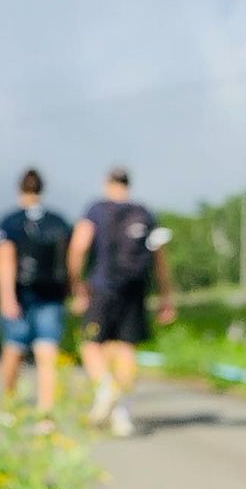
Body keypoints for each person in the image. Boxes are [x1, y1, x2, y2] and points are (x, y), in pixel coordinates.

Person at [67, 166, 175, 437]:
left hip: (102, 287)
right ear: (128, 184)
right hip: (135, 290)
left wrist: (77, 286)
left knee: (90, 344)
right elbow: (160, 258)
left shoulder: (96, 210)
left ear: (107, 183)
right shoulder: (145, 213)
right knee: (126, 348)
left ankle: (105, 388)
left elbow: (78, 248)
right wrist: (165, 296)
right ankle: (122, 414)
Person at [0, 168, 71, 428]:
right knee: (47, 356)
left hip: (21, 296)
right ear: (42, 189)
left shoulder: (10, 221)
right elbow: (69, 261)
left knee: (13, 350)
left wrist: (6, 298)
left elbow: (5, 259)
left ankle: (9, 405)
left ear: (20, 189)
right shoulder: (58, 221)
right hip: (52, 296)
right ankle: (45, 414)